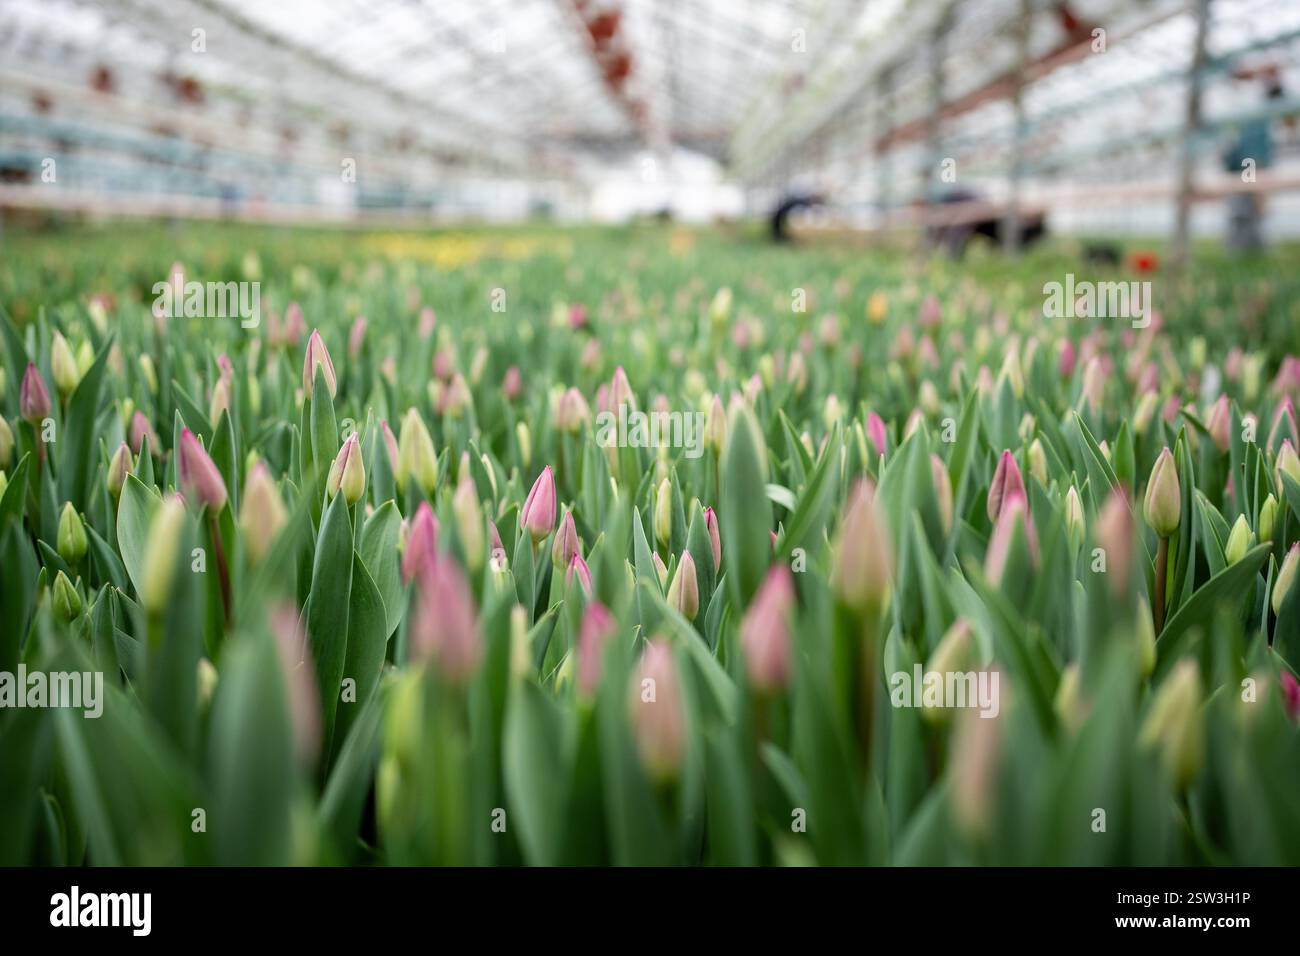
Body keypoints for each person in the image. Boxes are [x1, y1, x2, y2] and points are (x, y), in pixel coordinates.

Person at [1222, 74, 1282, 252]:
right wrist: (1256, 188)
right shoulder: (1261, 122)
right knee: (1247, 216)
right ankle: (1245, 252)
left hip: (1239, 176)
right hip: (1246, 177)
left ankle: (1242, 252)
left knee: (1241, 217)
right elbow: (1252, 158)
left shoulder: (1255, 117)